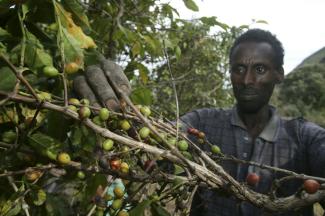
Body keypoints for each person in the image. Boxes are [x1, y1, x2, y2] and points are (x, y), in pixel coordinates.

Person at [73, 29, 325, 216]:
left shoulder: (305, 138)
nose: (247, 79)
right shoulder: (202, 123)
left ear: (279, 74)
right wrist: (124, 118)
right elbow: (161, 140)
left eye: (260, 69)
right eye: (238, 69)